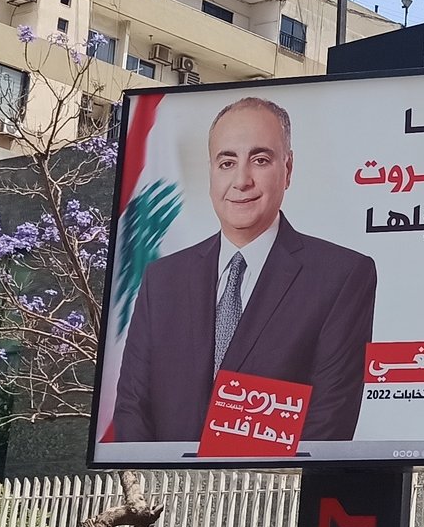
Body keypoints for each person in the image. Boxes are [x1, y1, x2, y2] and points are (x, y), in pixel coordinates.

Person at [114, 95, 378, 450]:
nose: (241, 180)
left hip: (274, 484)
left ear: (288, 169)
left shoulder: (341, 277)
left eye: (260, 160)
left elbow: (330, 420)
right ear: (211, 172)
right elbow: (131, 406)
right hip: (165, 483)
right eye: (226, 162)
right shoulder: (162, 279)